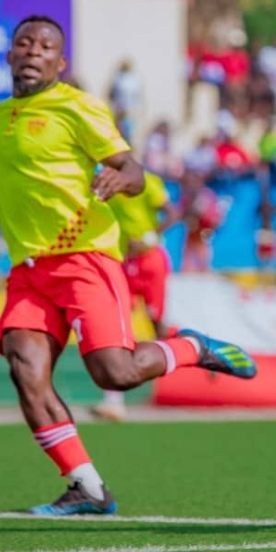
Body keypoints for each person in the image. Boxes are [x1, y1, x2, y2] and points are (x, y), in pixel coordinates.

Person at [0, 15, 256, 516]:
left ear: (60, 63)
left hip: (84, 258)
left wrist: (118, 182)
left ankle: (194, 347)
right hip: (30, 269)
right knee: (24, 367)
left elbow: (133, 169)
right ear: (10, 55)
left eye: (45, 47)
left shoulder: (78, 106)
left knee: (115, 373)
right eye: (24, 43)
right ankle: (87, 486)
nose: (33, 51)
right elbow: (9, 192)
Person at [92, 170, 180, 423]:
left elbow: (172, 212)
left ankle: (179, 377)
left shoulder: (147, 180)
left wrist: (152, 235)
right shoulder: (102, 181)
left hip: (150, 260)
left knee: (158, 325)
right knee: (115, 326)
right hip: (122, 261)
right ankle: (113, 400)